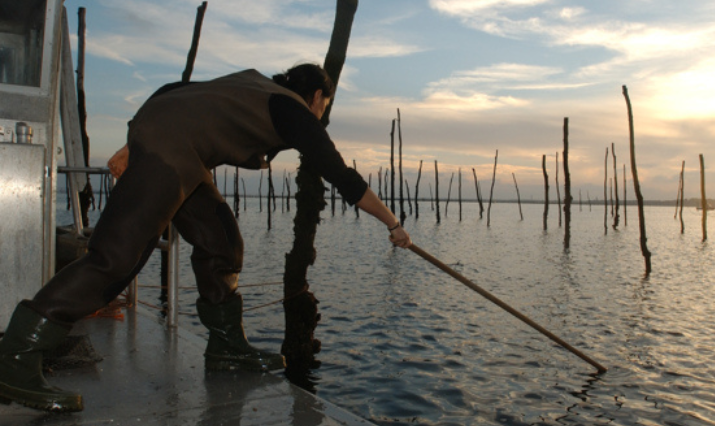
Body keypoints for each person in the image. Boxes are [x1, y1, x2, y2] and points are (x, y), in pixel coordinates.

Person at [0, 64, 411, 413]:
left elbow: (174, 91)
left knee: (222, 241)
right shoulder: (294, 110)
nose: (322, 115)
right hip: (171, 152)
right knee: (116, 259)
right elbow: (341, 175)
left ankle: (226, 347)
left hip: (183, 151)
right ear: (318, 95)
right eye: (325, 105)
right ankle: (16, 355)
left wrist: (133, 138)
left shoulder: (251, 84)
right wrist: (393, 223)